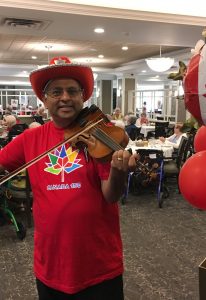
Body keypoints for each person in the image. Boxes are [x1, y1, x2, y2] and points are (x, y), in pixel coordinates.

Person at [0, 56, 138, 300]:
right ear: (44, 99)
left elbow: (111, 195)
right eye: (56, 91)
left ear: (83, 97)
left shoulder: (97, 138)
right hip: (51, 264)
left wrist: (117, 171)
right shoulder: (30, 139)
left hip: (99, 263)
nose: (65, 97)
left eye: (72, 91)